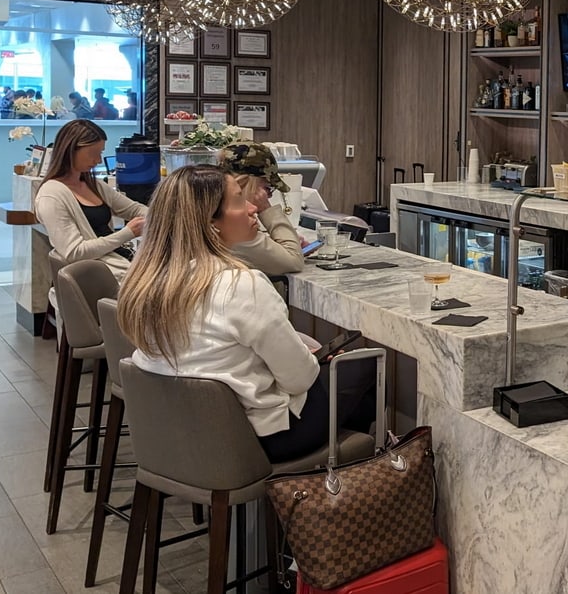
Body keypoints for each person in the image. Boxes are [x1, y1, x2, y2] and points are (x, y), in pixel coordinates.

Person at [118, 165, 375, 462]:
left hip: (173, 434)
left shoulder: (143, 282)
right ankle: (327, 494)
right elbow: (300, 380)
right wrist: (305, 357)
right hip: (250, 440)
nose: (253, 207)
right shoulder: (242, 285)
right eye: (240, 200)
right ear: (210, 222)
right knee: (360, 367)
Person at [33, 119, 147, 279]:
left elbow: (134, 209)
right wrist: (127, 233)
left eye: (100, 153)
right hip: (99, 277)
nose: (98, 160)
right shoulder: (51, 196)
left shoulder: (96, 186)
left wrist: (157, 217)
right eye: (93, 153)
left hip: (119, 263)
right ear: (71, 150)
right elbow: (75, 252)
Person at [216, 143, 304, 275]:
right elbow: (293, 261)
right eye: (267, 187)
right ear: (246, 183)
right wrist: (265, 208)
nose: (269, 195)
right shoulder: (234, 226)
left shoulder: (213, 207)